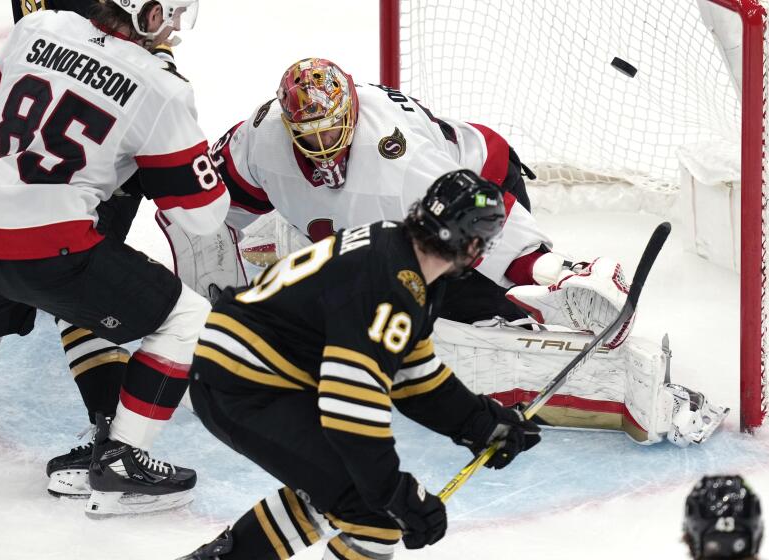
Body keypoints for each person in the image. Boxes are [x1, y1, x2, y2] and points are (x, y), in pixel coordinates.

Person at [166, 57, 728, 447]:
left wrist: (546, 271)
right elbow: (209, 201)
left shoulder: (398, 161)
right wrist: (213, 286)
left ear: (352, 115)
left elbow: (479, 214)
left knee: (476, 305)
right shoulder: (260, 138)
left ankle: (559, 294)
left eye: (329, 130)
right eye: (305, 133)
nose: (317, 147)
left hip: (476, 187)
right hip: (381, 230)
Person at [178, 169, 542, 560]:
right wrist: (396, 494)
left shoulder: (400, 255)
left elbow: (414, 379)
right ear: (475, 246)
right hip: (247, 383)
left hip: (244, 369)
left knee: (338, 491)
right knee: (376, 518)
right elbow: (350, 409)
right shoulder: (395, 285)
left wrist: (482, 422)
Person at [0, 0, 229, 516]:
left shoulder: (38, 27)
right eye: (167, 13)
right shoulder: (160, 85)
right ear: (142, 12)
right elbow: (202, 216)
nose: (174, 27)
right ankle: (122, 459)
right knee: (187, 319)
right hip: (53, 244)